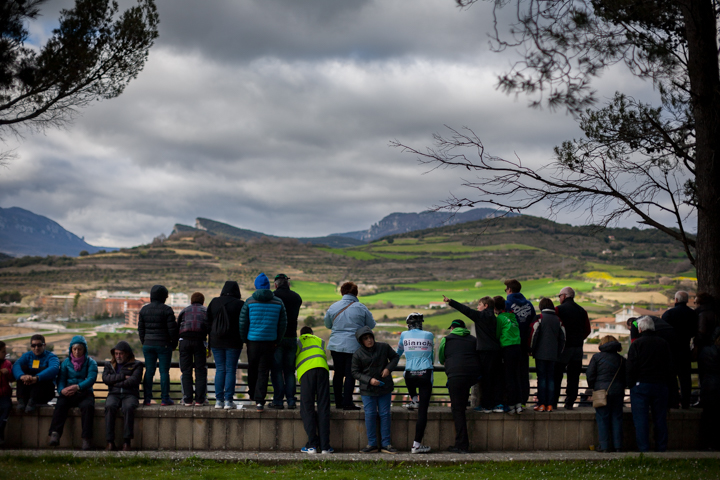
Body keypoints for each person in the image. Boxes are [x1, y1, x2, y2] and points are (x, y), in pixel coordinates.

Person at [443, 294, 502, 413]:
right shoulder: (497, 318)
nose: (477, 307)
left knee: (485, 379)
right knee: (495, 378)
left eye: (479, 305)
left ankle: (486, 406)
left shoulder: (480, 316)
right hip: (496, 351)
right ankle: (496, 405)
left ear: (485, 306)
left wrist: (450, 301)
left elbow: (465, 310)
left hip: (485, 352)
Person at [239, 272, 288, 411]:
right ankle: (260, 401)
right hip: (270, 342)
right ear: (268, 286)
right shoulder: (278, 302)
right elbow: (282, 324)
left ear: (256, 286)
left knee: (252, 368)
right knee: (263, 371)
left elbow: (243, 323)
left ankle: (252, 395)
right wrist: (277, 340)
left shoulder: (249, 302)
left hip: (252, 341)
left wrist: (245, 340)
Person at [324, 281, 376, 410]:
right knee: (351, 374)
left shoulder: (333, 307)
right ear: (356, 293)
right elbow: (371, 325)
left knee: (338, 374)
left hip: (336, 345)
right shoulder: (361, 307)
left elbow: (327, 324)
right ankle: (348, 402)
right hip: (354, 346)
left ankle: (337, 402)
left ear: (342, 292)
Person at [627, 316, 673, 452]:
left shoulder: (637, 344)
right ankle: (661, 447)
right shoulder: (663, 343)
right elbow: (669, 366)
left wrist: (631, 385)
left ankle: (644, 449)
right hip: (660, 385)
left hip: (641, 386)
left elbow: (631, 366)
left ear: (640, 329)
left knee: (641, 420)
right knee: (660, 418)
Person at [352, 326, 400, 454]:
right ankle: (372, 444)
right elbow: (354, 372)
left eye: (370, 337)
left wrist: (388, 368)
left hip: (384, 387)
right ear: (361, 341)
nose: (369, 340)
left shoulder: (384, 347)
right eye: (365, 339)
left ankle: (386, 444)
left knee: (385, 414)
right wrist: (369, 380)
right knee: (370, 415)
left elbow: (395, 357)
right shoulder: (357, 354)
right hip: (367, 389)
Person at [48, 336, 97, 450]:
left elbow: (91, 379)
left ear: (84, 350)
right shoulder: (65, 363)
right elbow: (61, 380)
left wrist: (78, 387)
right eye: (74, 349)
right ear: (71, 349)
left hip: (85, 392)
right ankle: (55, 434)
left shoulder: (91, 363)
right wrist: (61, 391)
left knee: (88, 407)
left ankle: (86, 439)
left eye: (79, 349)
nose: (77, 352)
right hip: (68, 393)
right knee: (60, 405)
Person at [439, 319, 481, 454]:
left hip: (456, 376)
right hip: (472, 376)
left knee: (458, 410)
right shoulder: (473, 339)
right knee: (462, 406)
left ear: (452, 328)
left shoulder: (447, 340)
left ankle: (462, 445)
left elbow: (441, 358)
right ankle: (462, 443)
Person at [396, 312, 434, 454]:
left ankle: (414, 399)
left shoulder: (404, 335)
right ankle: (416, 445)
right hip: (425, 372)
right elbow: (432, 355)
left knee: (408, 377)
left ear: (408, 324)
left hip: (409, 373)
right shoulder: (429, 335)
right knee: (423, 412)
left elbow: (398, 353)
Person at [138, 284, 178, 406]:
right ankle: (165, 399)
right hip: (164, 345)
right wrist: (173, 344)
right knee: (164, 372)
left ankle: (147, 399)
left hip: (148, 344)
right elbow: (173, 330)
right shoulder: (167, 310)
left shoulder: (144, 310)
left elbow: (141, 330)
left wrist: (144, 342)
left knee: (149, 371)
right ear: (163, 297)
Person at [207, 281, 245, 409]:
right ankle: (228, 401)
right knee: (231, 370)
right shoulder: (240, 304)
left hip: (216, 341)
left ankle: (218, 401)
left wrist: (209, 341)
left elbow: (208, 322)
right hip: (234, 342)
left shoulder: (214, 302)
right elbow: (244, 323)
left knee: (220, 369)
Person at [296, 326, 333, 454]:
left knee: (307, 408)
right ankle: (325, 447)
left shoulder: (299, 341)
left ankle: (312, 445)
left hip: (307, 373)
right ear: (312, 333)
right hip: (322, 370)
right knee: (323, 407)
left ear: (301, 334)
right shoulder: (320, 340)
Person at [586, 335, 626, 452]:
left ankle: (604, 446)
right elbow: (626, 376)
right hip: (618, 392)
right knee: (617, 418)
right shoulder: (621, 359)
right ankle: (618, 446)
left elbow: (590, 374)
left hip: (601, 392)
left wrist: (593, 387)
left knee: (602, 418)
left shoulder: (597, 357)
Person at [103, 340, 144, 451]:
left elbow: (134, 381)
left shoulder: (137, 365)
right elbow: (106, 379)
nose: (118, 356)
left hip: (130, 394)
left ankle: (127, 442)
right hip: (114, 394)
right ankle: (110, 442)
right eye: (116, 353)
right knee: (109, 407)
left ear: (127, 354)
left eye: (121, 353)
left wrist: (115, 382)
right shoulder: (109, 365)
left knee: (128, 408)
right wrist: (122, 376)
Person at [553, 287, 590, 410]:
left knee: (557, 375)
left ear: (564, 296)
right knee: (574, 377)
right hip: (578, 348)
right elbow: (587, 330)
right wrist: (579, 339)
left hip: (563, 348)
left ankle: (553, 401)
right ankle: (569, 402)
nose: (559, 298)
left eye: (559, 296)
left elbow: (555, 328)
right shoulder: (582, 311)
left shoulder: (558, 310)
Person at [270, 273, 303, 409]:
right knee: (289, 371)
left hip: (277, 339)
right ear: (288, 284)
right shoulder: (296, 297)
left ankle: (278, 400)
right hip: (291, 338)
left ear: (276, 285)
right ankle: (291, 400)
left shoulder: (273, 297)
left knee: (277, 370)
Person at [661, 291, 698, 409]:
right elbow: (694, 332)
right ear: (687, 301)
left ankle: (674, 402)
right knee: (685, 379)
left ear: (676, 300)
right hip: (685, 350)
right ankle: (686, 402)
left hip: (671, 351)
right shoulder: (693, 314)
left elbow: (663, 332)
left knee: (671, 378)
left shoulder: (668, 314)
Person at [504, 279, 537, 405]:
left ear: (509, 290)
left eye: (506, 289)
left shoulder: (507, 304)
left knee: (510, 373)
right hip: (525, 346)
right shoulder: (529, 305)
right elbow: (533, 326)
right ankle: (523, 400)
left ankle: (512, 401)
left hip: (511, 345)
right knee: (524, 373)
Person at [529, 298, 565, 412]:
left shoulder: (539, 318)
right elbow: (563, 338)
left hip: (540, 354)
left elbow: (533, 335)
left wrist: (531, 350)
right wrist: (558, 352)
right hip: (553, 355)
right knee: (551, 379)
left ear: (541, 307)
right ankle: (550, 404)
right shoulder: (558, 320)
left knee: (542, 379)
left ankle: (541, 404)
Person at [177, 292, 210, 406]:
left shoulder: (184, 311)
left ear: (191, 301)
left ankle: (187, 399)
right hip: (199, 342)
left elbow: (177, 328)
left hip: (184, 342)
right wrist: (208, 348)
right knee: (200, 371)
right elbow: (210, 330)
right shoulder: (206, 311)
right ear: (202, 301)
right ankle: (200, 400)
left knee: (186, 371)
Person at [12, 334, 59, 413]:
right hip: (29, 390)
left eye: (39, 345)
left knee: (44, 371)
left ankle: (32, 401)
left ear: (44, 345)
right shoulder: (27, 356)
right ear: (31, 346)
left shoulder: (51, 357)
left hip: (44, 392)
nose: (36, 348)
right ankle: (21, 400)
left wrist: (37, 378)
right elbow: (16, 365)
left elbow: (54, 368)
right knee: (22, 369)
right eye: (34, 345)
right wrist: (22, 376)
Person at [493, 296, 523, 414]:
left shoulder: (500, 318)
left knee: (508, 376)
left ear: (495, 308)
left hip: (507, 348)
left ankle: (511, 405)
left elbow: (497, 333)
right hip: (517, 347)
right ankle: (519, 404)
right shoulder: (512, 315)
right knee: (516, 376)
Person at [698, 331, 720, 450]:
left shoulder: (706, 351)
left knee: (708, 417)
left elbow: (702, 370)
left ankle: (707, 444)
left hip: (709, 387)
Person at [0, 341, 13, 446]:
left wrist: (8, 372)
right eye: (3, 352)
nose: (5, 354)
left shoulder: (7, 364)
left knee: (6, 408)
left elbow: (12, 378)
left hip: (4, 395)